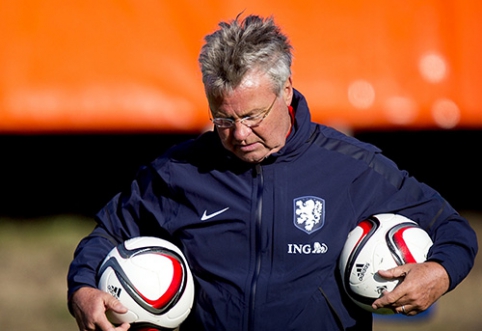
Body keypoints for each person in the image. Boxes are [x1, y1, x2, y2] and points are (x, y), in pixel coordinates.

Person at [67, 14, 478, 331]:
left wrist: (439, 272)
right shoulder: (178, 172)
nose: (240, 134)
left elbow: (451, 228)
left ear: (286, 90)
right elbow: (108, 233)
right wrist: (82, 289)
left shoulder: (352, 167)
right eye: (222, 119)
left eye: (253, 115)